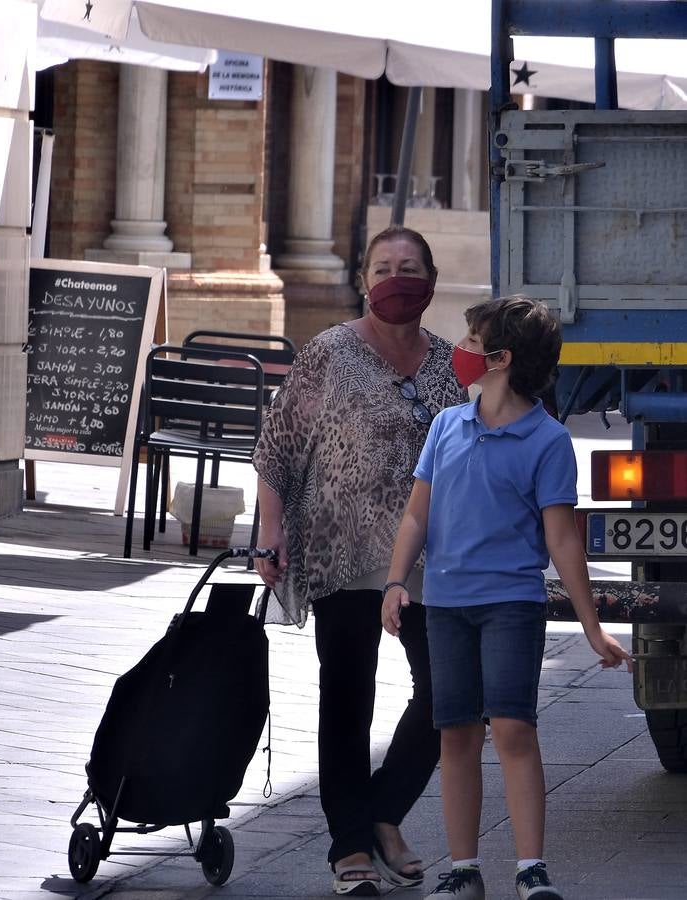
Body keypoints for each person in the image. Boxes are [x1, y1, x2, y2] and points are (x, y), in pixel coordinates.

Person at [381, 295, 633, 900]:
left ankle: (531, 869)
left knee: (515, 730)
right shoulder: (446, 425)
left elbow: (563, 543)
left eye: (471, 341)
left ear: (499, 358)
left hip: (512, 606)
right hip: (445, 605)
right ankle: (464, 869)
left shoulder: (546, 441)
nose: (460, 351)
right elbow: (418, 515)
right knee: (457, 735)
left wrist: (591, 625)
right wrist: (395, 581)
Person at [253, 225, 467, 896]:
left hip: (435, 555)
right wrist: (270, 530)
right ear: (362, 280)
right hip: (341, 544)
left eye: (410, 266)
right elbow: (278, 445)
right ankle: (349, 846)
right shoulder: (329, 353)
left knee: (449, 695)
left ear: (430, 279)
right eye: (384, 267)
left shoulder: (451, 363)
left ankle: (380, 814)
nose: (396, 277)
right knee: (346, 697)